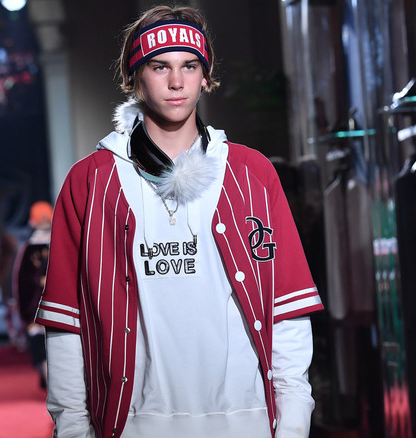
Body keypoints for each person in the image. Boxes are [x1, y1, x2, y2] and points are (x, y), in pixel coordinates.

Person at [35, 5, 324, 438]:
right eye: (159, 66)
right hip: (132, 423)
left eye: (189, 66)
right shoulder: (91, 181)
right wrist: (73, 428)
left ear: (206, 76)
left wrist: (294, 422)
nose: (176, 81)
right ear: (134, 78)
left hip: (246, 420)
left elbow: (286, 312)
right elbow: (67, 321)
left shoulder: (251, 173)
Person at [12, 201, 53, 389]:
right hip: (67, 309)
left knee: (43, 352)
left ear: (31, 222)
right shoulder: (66, 243)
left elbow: (21, 284)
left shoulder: (27, 249)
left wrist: (24, 317)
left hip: (37, 310)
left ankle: (56, 393)